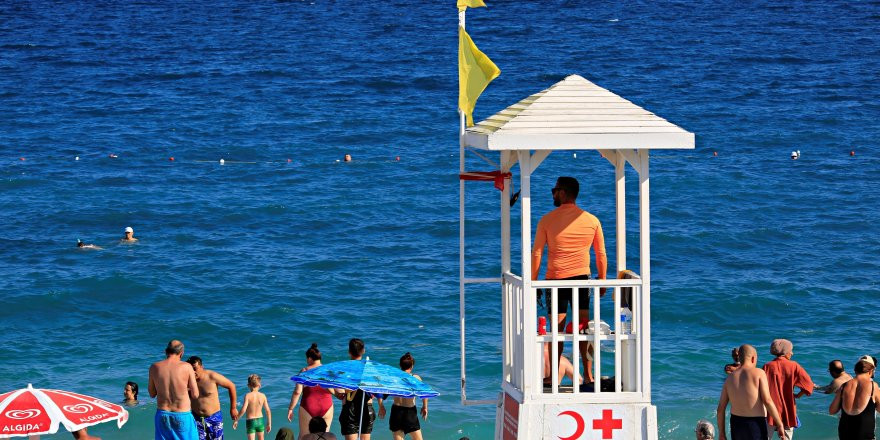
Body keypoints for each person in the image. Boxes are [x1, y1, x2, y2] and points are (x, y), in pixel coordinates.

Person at [532, 176, 607, 384]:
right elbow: (601, 254)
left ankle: (553, 375)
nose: (553, 194)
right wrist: (602, 279)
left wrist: (533, 282)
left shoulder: (546, 220)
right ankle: (589, 375)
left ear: (563, 193)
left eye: (554, 190)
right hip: (582, 280)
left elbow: (537, 253)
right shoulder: (592, 220)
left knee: (557, 331)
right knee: (584, 328)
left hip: (555, 281)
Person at [716, 344, 785, 440]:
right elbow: (767, 400)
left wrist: (722, 434)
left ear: (739, 358)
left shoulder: (730, 378)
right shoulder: (759, 373)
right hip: (755, 423)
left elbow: (720, 409)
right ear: (753, 358)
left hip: (736, 423)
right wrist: (779, 424)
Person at [148, 339, 200, 440]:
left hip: (162, 414)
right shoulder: (187, 367)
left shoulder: (154, 367)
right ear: (181, 353)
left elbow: (152, 393)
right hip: (182, 415)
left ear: (166, 351)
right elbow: (195, 395)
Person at [762, 339, 813, 439]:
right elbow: (808, 385)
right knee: (786, 437)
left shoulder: (767, 366)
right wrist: (798, 395)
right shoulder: (794, 366)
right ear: (785, 352)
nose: (792, 353)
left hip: (770, 409)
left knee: (765, 437)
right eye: (791, 350)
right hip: (787, 408)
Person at [288, 343, 335, 439]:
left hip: (308, 406)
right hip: (326, 406)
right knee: (325, 436)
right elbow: (334, 389)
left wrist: (291, 408)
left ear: (309, 358)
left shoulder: (305, 371)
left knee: (304, 436)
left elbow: (297, 392)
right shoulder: (328, 371)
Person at [186, 356, 238, 440]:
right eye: (191, 370)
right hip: (196, 418)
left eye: (195, 369)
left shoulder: (212, 376)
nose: (193, 372)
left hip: (214, 418)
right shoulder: (188, 380)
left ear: (202, 367)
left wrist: (233, 408)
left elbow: (231, 386)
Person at [829, 355, 880, 439]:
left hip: (844, 434)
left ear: (855, 370)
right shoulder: (873, 386)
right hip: (864, 436)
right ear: (871, 371)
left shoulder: (844, 386)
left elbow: (832, 410)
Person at [336, 338, 376, 440]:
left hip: (350, 407)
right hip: (367, 406)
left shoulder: (345, 368)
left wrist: (338, 393)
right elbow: (376, 389)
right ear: (363, 351)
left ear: (349, 352)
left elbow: (337, 385)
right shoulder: (369, 368)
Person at [388, 353, 428, 440]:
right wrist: (425, 407)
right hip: (410, 412)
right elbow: (425, 393)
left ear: (400, 365)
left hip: (396, 411)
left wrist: (381, 405)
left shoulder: (393, 378)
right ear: (412, 366)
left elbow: (382, 391)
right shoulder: (415, 378)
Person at [234, 374, 272, 440]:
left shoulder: (247, 396)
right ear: (259, 385)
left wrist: (236, 420)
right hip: (260, 420)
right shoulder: (263, 396)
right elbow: (268, 411)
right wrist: (269, 423)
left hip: (250, 421)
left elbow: (243, 410)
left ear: (248, 385)